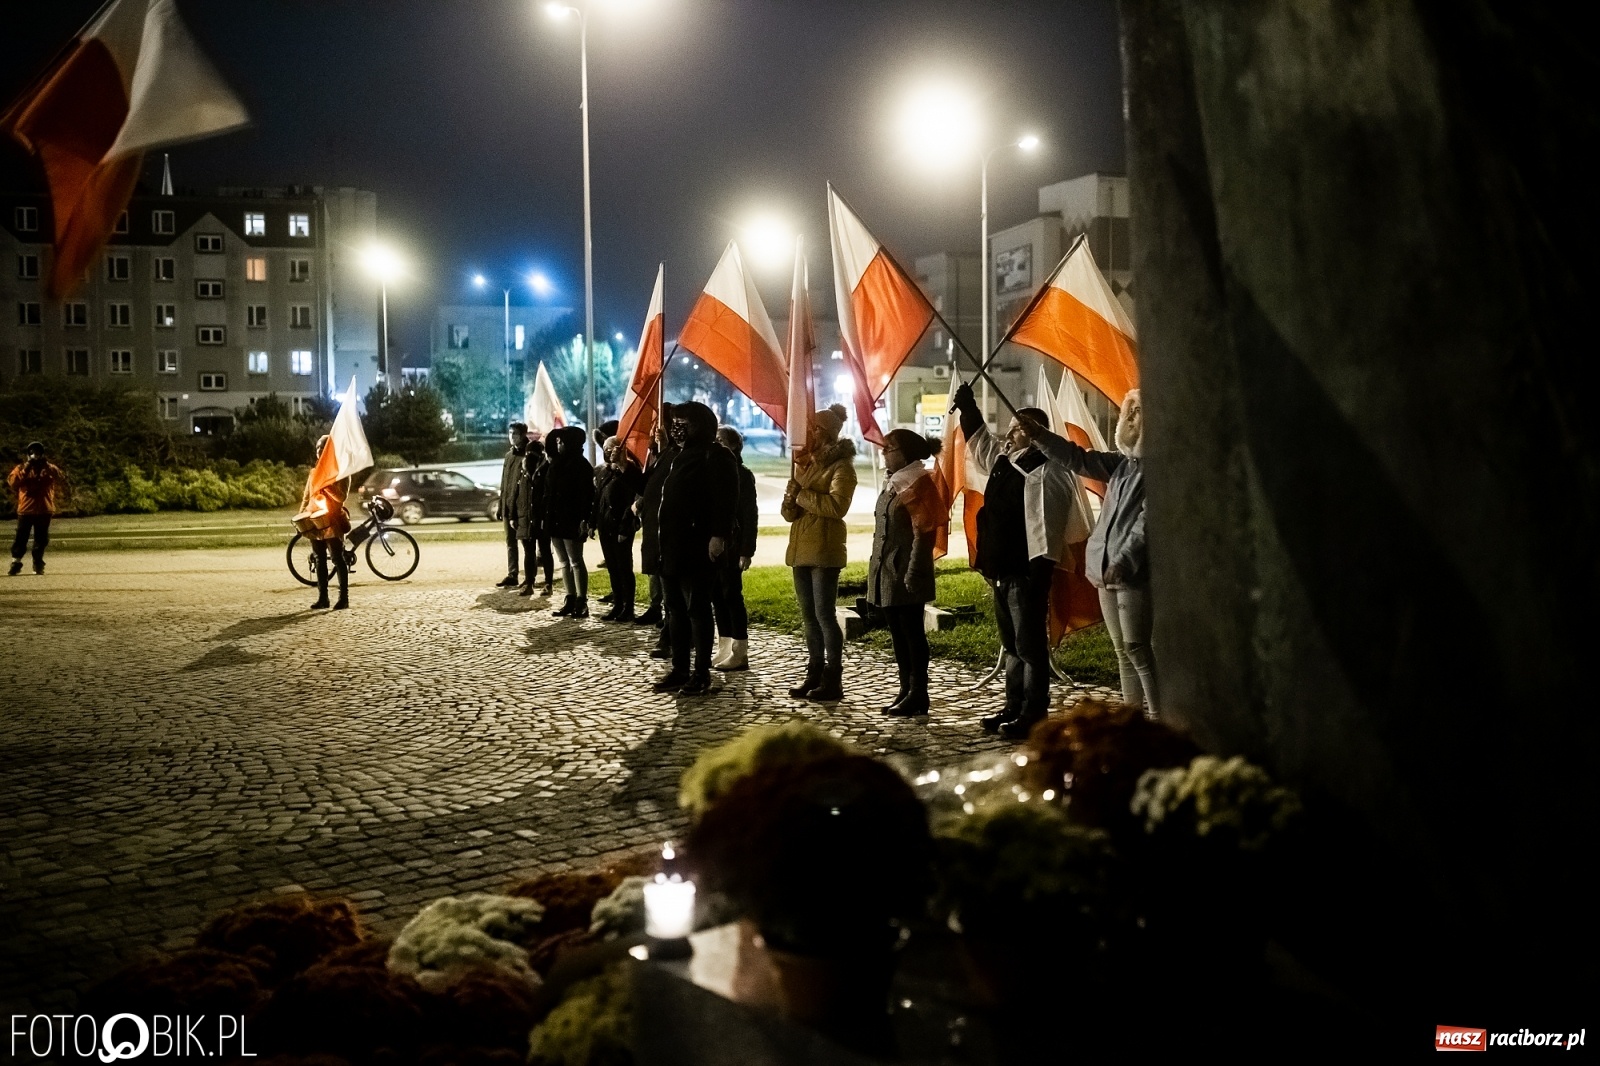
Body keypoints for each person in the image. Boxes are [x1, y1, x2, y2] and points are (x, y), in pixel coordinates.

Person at [951, 382, 1087, 739]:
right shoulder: (1007, 461)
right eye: (1013, 426)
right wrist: (968, 408)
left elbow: (1047, 527)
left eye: (1021, 426)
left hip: (1027, 573)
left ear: (1037, 434)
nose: (1012, 431)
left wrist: (1038, 576)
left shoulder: (1048, 471)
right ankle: (1013, 705)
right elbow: (981, 443)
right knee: (1011, 644)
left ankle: (1033, 713)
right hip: (1001, 569)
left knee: (1029, 647)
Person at [1036, 390, 1157, 719]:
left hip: (1131, 572)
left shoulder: (1156, 471)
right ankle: (1132, 717)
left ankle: (1159, 717)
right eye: (1128, 414)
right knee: (1122, 650)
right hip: (1105, 569)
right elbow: (1078, 458)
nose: (1130, 420)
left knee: (1138, 648)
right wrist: (1041, 436)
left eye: (1137, 414)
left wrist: (1124, 560)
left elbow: (1147, 523)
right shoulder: (1121, 466)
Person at [652, 401, 738, 696]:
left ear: (699, 425)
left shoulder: (715, 455)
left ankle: (701, 673)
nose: (676, 427)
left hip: (698, 546)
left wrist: (718, 535)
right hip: (672, 546)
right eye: (674, 421)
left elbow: (725, 500)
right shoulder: (678, 455)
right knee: (674, 610)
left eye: (683, 422)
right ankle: (679, 669)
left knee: (698, 610)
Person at [781, 404, 858, 701]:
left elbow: (837, 507)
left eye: (813, 429)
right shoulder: (807, 465)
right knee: (808, 617)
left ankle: (832, 677)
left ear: (826, 434)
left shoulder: (842, 468)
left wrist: (802, 494)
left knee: (825, 615)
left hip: (824, 550)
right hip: (801, 549)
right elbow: (792, 514)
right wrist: (790, 501)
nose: (808, 433)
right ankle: (813, 672)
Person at [865, 430, 944, 716]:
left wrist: (913, 572)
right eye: (884, 447)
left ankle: (918, 692)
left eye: (890, 448)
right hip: (887, 569)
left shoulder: (918, 482)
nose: (884, 452)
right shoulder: (894, 481)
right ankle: (905, 689)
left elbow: (924, 532)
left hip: (907, 570)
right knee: (897, 633)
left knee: (912, 634)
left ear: (906, 452)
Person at [711, 426, 758, 671]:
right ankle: (724, 646)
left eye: (721, 440)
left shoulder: (742, 474)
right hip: (716, 546)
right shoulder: (713, 472)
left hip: (734, 544)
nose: (717, 444)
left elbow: (749, 514)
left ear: (735, 446)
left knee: (732, 595)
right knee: (717, 595)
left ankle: (740, 651)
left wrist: (746, 550)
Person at [635, 405, 677, 649]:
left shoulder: (676, 455)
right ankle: (668, 632)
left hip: (671, 533)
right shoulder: (658, 455)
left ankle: (676, 637)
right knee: (663, 585)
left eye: (659, 425)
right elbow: (647, 486)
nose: (654, 430)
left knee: (675, 596)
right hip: (655, 528)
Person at [295, 436, 352, 610]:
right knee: (319, 559)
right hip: (314, 521)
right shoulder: (314, 473)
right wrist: (301, 517)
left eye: (323, 449)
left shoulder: (341, 472)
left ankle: (343, 598)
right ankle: (323, 598)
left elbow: (341, 497)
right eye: (318, 448)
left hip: (332, 520)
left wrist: (327, 485)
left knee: (337, 558)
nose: (319, 452)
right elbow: (307, 497)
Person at [543, 425, 595, 618]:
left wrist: (584, 519)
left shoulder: (581, 466)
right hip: (556, 519)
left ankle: (582, 600)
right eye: (558, 442)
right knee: (564, 562)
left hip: (571, 519)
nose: (558, 445)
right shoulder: (555, 464)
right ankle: (570, 597)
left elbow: (586, 496)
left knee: (575, 561)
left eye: (562, 442)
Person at [594, 436, 644, 622]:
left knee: (624, 568)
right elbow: (598, 499)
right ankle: (618, 604)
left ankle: (628, 607)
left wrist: (625, 527)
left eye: (611, 448)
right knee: (613, 569)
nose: (608, 452)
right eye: (606, 449)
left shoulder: (628, 472)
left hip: (620, 527)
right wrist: (593, 523)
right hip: (605, 526)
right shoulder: (604, 472)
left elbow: (631, 503)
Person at [7, 442, 64, 576]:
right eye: (33, 453)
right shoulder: (21, 468)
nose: (35, 456)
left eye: (38, 453)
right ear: (28, 455)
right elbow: (13, 483)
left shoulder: (49, 468)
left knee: (41, 538)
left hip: (44, 510)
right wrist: (27, 467)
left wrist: (46, 466)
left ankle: (38, 563)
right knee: (21, 538)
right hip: (26, 509)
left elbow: (60, 478)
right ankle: (16, 562)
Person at [495, 422, 530, 588]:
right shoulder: (509, 455)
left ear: (523, 435)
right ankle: (512, 573)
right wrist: (501, 505)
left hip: (521, 507)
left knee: (526, 543)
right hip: (508, 506)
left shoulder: (528, 454)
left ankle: (529, 577)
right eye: (510, 433)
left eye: (515, 433)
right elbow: (505, 483)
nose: (511, 437)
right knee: (510, 542)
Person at [522, 439, 555, 596]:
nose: (529, 456)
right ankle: (529, 583)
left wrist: (545, 516)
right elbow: (520, 493)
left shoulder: (547, 468)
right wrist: (517, 515)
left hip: (541, 517)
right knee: (529, 551)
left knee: (545, 550)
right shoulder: (524, 469)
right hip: (527, 516)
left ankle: (548, 583)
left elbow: (548, 494)